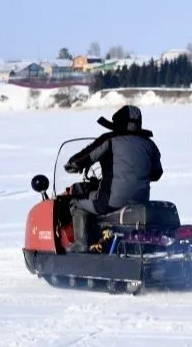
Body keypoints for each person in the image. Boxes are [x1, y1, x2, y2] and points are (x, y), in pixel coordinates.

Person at [64, 104, 164, 252]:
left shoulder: (109, 140)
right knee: (95, 197)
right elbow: (156, 174)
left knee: (76, 204)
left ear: (119, 123)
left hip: (111, 201)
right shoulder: (150, 144)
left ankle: (82, 244)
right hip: (140, 202)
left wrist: (73, 165)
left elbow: (85, 157)